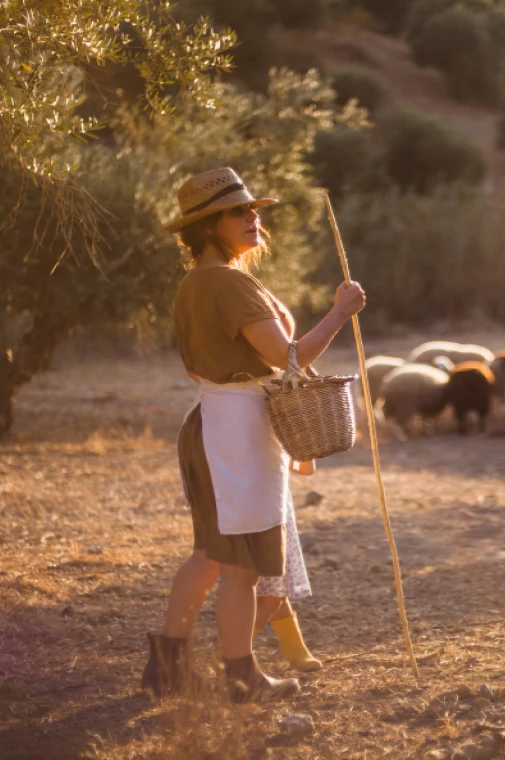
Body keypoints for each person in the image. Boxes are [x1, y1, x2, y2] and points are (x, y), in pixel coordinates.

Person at [141, 168, 364, 702]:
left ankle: (167, 671)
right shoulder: (226, 282)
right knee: (240, 568)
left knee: (210, 557)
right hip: (236, 431)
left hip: (214, 423)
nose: (252, 217)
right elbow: (288, 358)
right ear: (208, 226)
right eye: (238, 212)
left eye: (252, 209)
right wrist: (340, 312)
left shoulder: (197, 283)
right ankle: (241, 678)